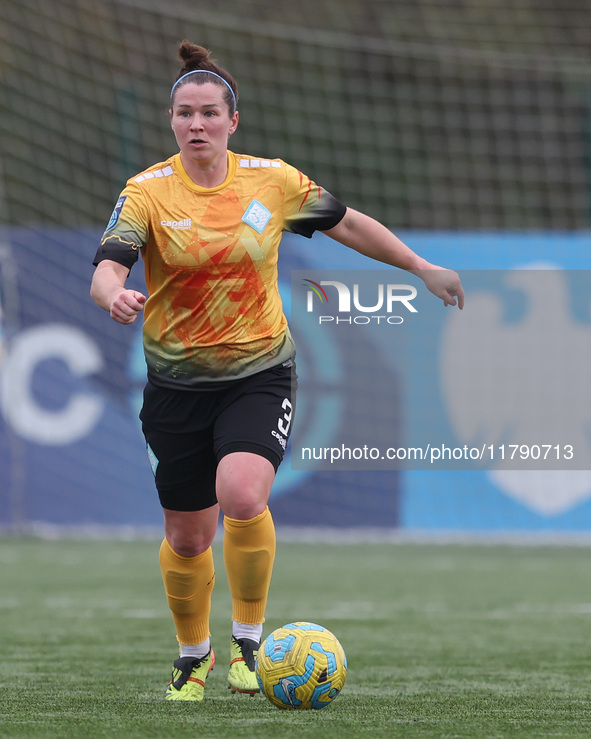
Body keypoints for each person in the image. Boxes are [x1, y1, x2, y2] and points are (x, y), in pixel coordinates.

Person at [90, 40, 464, 702]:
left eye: (209, 112)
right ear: (171, 120)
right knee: (187, 534)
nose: (196, 124)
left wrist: (419, 267)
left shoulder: (273, 181)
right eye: (184, 113)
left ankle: (247, 643)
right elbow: (108, 264)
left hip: (259, 372)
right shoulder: (145, 192)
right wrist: (111, 293)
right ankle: (191, 654)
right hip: (175, 385)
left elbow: (348, 225)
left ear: (233, 121)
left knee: (242, 494)